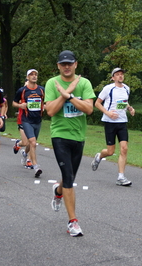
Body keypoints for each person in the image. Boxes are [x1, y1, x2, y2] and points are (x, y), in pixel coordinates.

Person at [45, 50, 96, 237]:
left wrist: (69, 95)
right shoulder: (52, 83)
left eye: (70, 63)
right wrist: (64, 93)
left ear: (76, 64)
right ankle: (73, 222)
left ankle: (58, 191)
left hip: (78, 136)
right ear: (58, 66)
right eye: (63, 64)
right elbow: (50, 111)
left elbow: (89, 109)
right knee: (68, 177)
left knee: (70, 178)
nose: (66, 66)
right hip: (59, 135)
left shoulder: (84, 83)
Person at [91, 68, 136, 186]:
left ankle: (121, 177)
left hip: (122, 122)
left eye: (122, 74)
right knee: (110, 151)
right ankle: (99, 156)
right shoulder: (108, 89)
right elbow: (97, 103)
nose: (120, 76)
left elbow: (123, 102)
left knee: (124, 148)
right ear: (113, 77)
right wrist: (108, 113)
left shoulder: (127, 88)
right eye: (117, 74)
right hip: (109, 122)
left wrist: (130, 108)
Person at [12, 69, 45, 178]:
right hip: (26, 120)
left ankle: (25, 154)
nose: (34, 76)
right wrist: (20, 106)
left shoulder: (41, 90)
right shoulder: (22, 90)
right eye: (31, 75)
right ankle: (36, 166)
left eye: (36, 74)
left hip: (37, 120)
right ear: (27, 77)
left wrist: (45, 106)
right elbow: (13, 103)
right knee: (32, 142)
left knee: (31, 143)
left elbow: (46, 102)